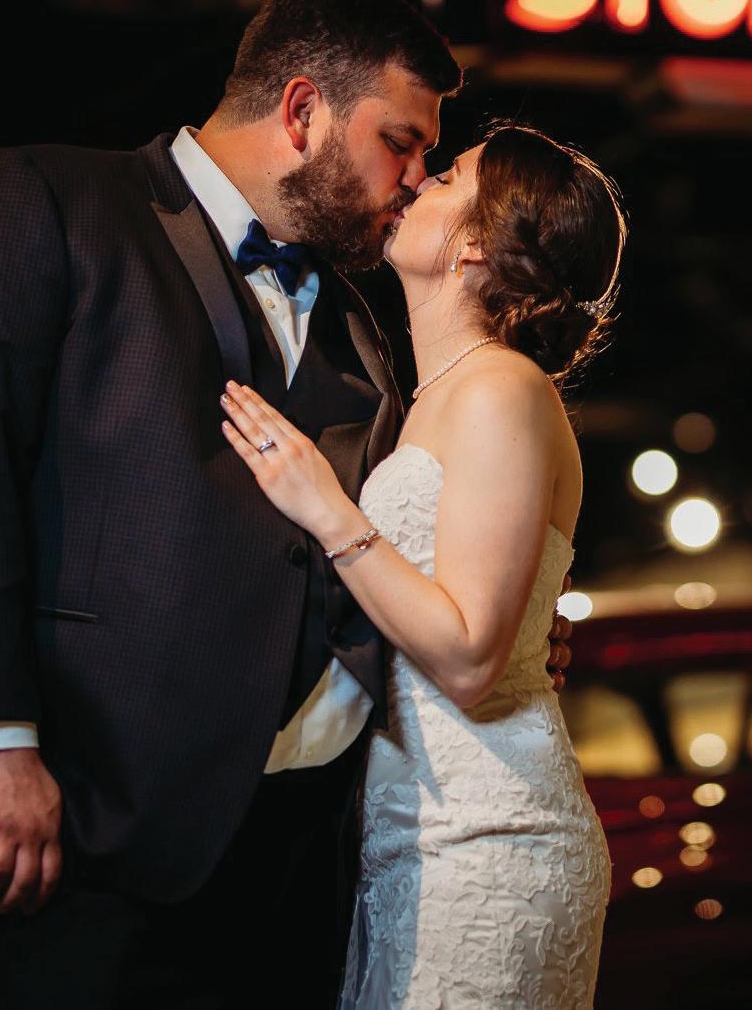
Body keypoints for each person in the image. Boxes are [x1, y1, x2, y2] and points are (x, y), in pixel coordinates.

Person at [0, 0, 572, 1007]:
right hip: (99, 823)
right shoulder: (49, 200)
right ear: (303, 112)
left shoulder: (364, 323)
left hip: (313, 858)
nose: (413, 179)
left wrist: (509, 623)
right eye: (400, 142)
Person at [217, 123, 622, 1007]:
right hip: (409, 833)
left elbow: (471, 658)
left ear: (477, 241)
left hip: (488, 837)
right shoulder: (433, 393)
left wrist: (325, 506)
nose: (414, 183)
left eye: (444, 178)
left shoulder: (503, 388)